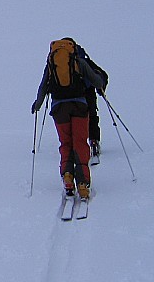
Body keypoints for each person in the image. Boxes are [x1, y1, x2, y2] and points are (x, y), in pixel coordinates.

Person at [31, 38, 105, 199]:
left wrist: (37, 104)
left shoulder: (51, 65)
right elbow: (97, 81)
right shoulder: (79, 62)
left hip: (59, 109)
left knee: (66, 143)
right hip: (79, 106)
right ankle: (83, 183)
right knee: (79, 143)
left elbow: (43, 86)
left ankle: (67, 177)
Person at [74, 43, 109, 158]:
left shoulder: (60, 63)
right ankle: (94, 141)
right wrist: (101, 88)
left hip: (70, 97)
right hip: (88, 93)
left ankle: (75, 147)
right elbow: (102, 75)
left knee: (74, 120)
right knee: (92, 117)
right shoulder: (85, 61)